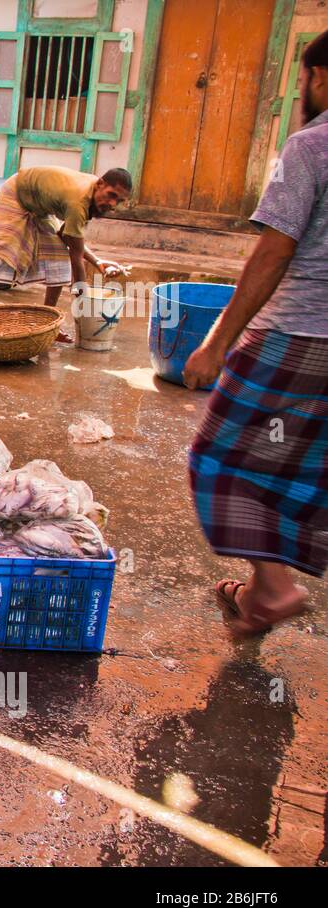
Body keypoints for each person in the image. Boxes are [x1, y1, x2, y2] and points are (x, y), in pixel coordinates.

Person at [183, 29, 328, 636]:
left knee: (222, 458)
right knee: (304, 465)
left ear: (319, 76)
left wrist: (216, 343)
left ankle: (270, 589)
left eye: (302, 79)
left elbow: (273, 252)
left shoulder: (312, 146)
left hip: (298, 335)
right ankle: (260, 592)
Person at [0, 166, 132, 330]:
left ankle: (46, 323)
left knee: (59, 258)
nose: (113, 204)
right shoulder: (79, 202)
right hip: (16, 192)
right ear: (100, 183)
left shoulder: (90, 196)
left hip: (39, 204)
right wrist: (83, 305)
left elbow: (67, 237)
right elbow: (76, 257)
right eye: (112, 195)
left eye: (119, 200)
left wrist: (97, 262)